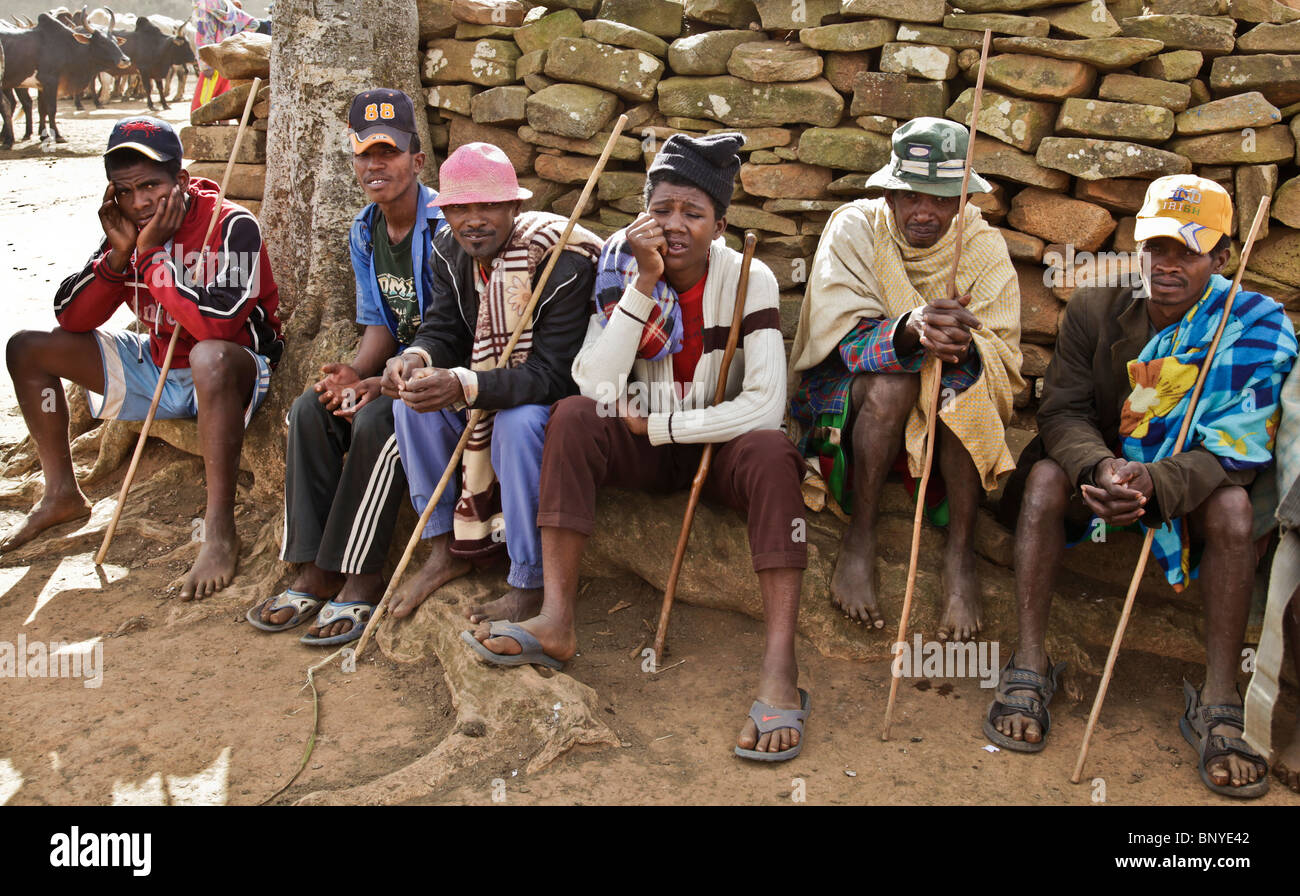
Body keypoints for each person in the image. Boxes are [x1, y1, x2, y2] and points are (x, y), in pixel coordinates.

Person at [464, 133, 812, 762]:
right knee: (572, 417)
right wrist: (643, 285)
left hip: (717, 445)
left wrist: (661, 427)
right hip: (643, 446)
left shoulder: (747, 277)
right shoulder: (623, 265)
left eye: (694, 214)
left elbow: (765, 404)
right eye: (663, 210)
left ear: (720, 224)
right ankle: (558, 618)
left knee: (773, 452)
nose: (675, 226)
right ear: (645, 210)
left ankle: (779, 668)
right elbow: (592, 381)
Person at [987, 175, 1296, 798]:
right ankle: (1028, 666)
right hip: (1101, 477)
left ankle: (1217, 698)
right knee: (1046, 478)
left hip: (1193, 486)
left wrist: (1156, 480)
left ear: (1223, 257)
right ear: (1138, 246)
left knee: (1235, 510)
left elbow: (1241, 449)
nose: (1169, 265)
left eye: (1190, 251)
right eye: (1158, 248)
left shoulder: (1254, 327)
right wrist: (1101, 469)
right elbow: (1062, 413)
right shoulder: (1098, 308)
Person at [5, 115, 282, 602]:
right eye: (124, 191)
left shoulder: (231, 224)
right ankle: (61, 494)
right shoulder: (130, 230)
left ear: (180, 180)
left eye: (151, 185)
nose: (139, 202)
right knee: (27, 349)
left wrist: (153, 258)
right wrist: (117, 258)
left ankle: (219, 528)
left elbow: (217, 327)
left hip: (229, 372)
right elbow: (72, 318)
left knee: (209, 357)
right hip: (156, 364)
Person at [787, 117, 1023, 640]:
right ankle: (861, 535)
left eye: (942, 199)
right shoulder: (856, 228)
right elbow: (839, 340)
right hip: (850, 391)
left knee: (962, 391)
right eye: (912, 195)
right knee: (895, 381)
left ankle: (960, 555)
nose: (925, 212)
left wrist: (959, 346)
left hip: (947, 387)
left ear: (963, 202)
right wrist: (909, 332)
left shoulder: (983, 249)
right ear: (890, 194)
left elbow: (1002, 353)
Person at [248, 89, 444, 645]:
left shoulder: (446, 229)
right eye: (364, 153)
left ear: (416, 160)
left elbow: (453, 332)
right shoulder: (366, 230)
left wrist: (382, 386)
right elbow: (380, 325)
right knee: (313, 408)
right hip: (393, 371)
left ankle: (361, 574)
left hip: (440, 376)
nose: (375, 165)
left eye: (389, 152)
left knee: (381, 423)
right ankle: (314, 568)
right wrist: (355, 374)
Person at [379, 142, 601, 625]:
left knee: (518, 427)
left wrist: (463, 384)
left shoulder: (561, 265)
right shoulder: (448, 251)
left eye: (488, 206)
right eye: (460, 208)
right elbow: (443, 329)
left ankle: (528, 577)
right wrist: (414, 357)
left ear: (514, 208)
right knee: (407, 403)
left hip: (549, 400)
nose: (473, 220)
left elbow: (553, 375)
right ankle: (444, 548)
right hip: (480, 381)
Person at [191, 0, 258, 111]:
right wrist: (235, 42)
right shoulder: (229, 5)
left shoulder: (202, 7)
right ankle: (224, 124)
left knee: (202, 105)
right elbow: (253, 23)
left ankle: (205, 127)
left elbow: (202, 37)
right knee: (224, 102)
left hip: (212, 60)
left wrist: (205, 65)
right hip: (228, 60)